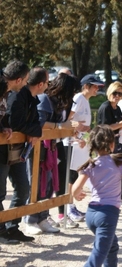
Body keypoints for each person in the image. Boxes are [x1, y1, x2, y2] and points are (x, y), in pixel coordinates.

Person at [72, 125, 122, 267]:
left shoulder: (90, 165)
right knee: (98, 254)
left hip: (91, 214)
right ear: (112, 144)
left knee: (112, 246)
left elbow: (75, 189)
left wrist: (77, 195)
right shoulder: (119, 163)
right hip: (108, 215)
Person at [24, 71, 81, 235]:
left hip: (52, 149)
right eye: (72, 92)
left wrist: (70, 129)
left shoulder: (62, 103)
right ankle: (30, 219)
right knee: (35, 184)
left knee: (48, 185)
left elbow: (61, 124)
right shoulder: (45, 99)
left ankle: (42, 218)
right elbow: (40, 124)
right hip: (37, 149)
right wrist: (61, 127)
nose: (73, 96)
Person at [60, 74, 102, 225]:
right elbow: (68, 120)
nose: (97, 88)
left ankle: (71, 206)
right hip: (71, 143)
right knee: (70, 177)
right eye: (95, 86)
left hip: (79, 144)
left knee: (75, 176)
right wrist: (78, 136)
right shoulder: (78, 98)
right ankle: (67, 208)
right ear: (86, 86)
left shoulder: (85, 100)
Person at [0, 61, 31, 244]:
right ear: (18, 79)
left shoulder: (7, 92)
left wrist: (3, 127)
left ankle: (9, 228)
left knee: (17, 189)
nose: (26, 84)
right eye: (25, 80)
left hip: (6, 147)